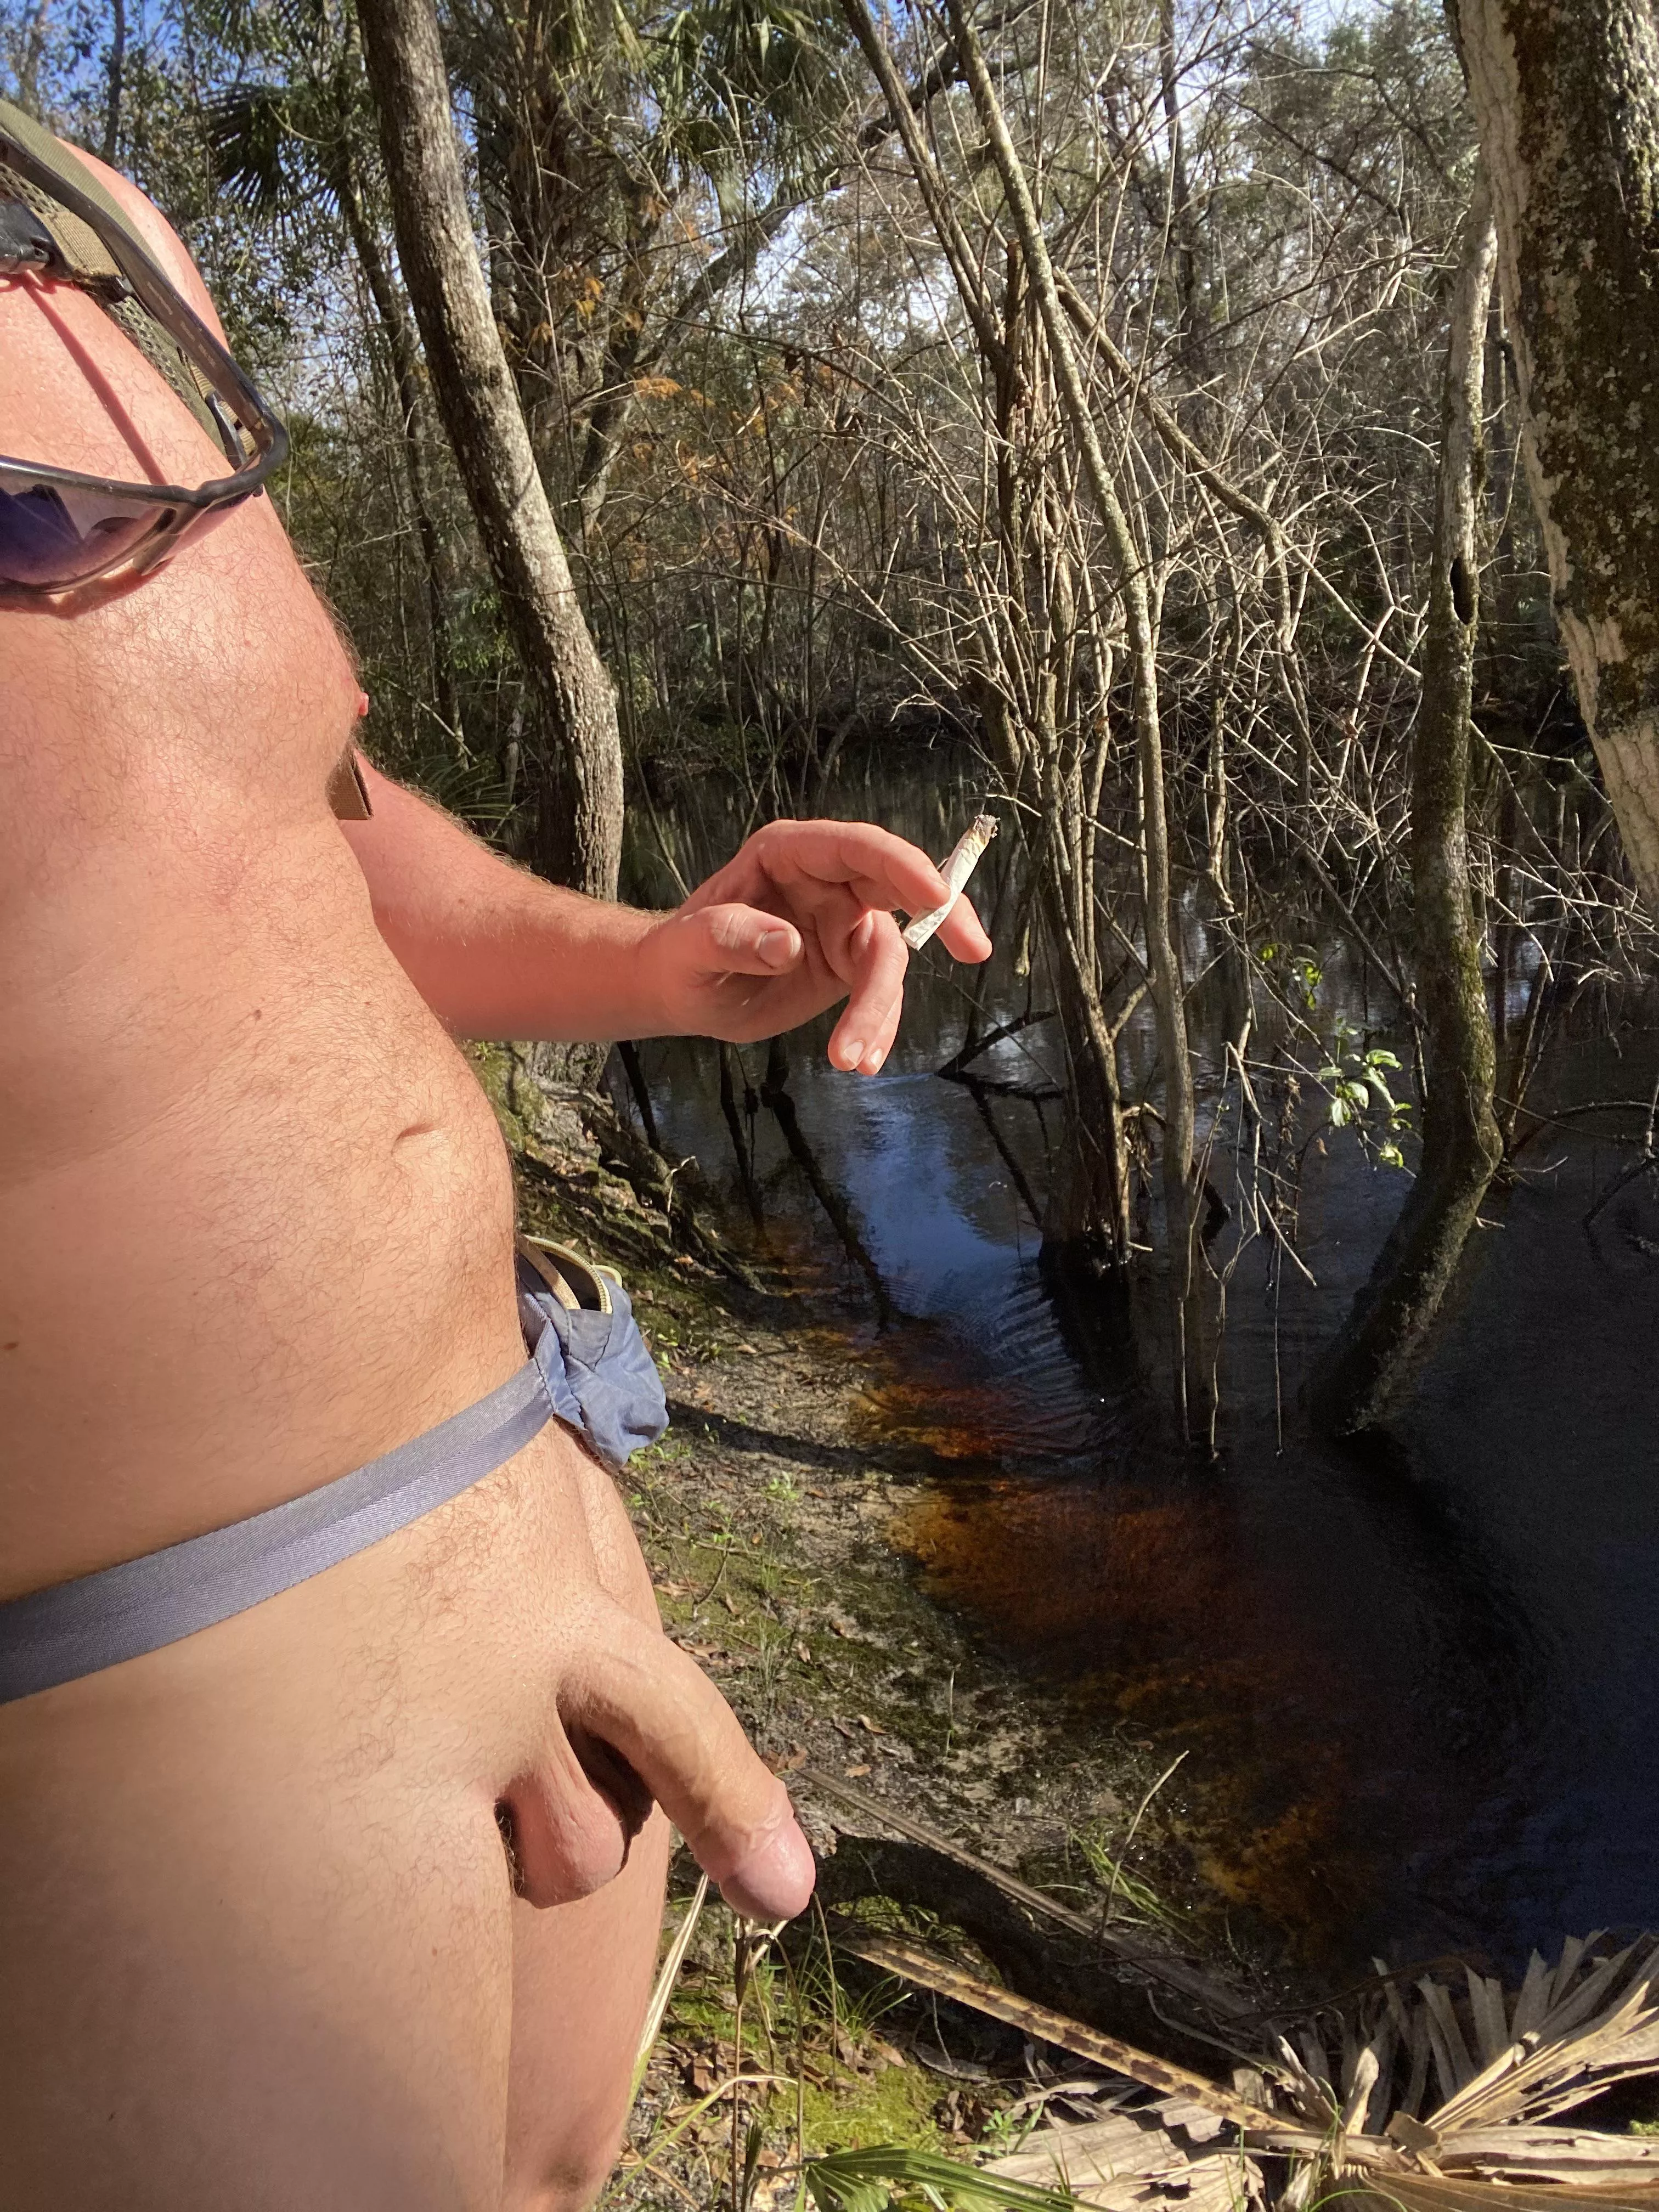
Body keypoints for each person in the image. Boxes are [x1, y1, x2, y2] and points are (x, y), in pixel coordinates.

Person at [0, 116, 992, 2210]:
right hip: (149, 1713)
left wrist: (651, 961)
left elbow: (304, 806)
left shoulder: (85, 229)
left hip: (524, 1489)